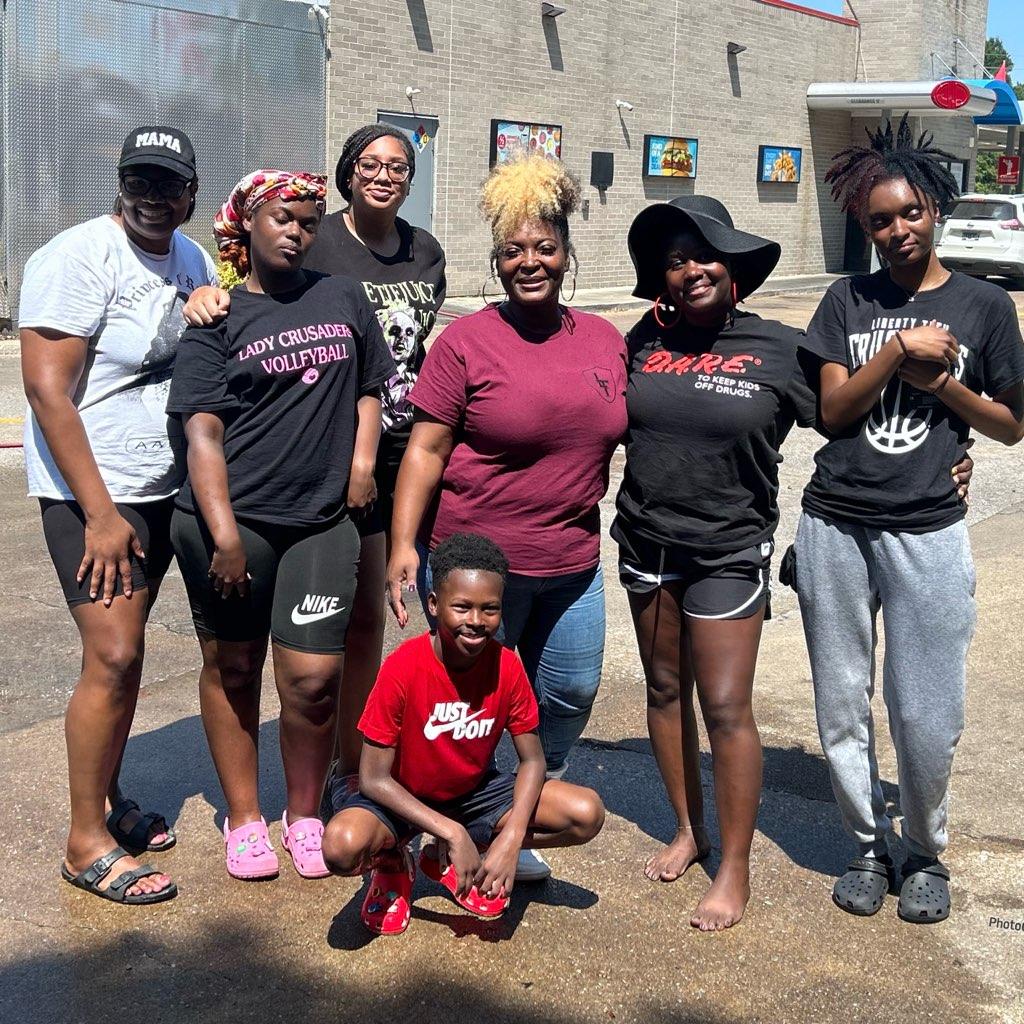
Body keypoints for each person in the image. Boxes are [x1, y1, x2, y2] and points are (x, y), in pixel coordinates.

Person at [795, 116, 1024, 923]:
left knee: (927, 710)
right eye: (878, 221)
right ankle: (865, 843)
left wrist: (945, 390)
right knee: (840, 701)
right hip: (835, 524)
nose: (896, 230)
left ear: (935, 208)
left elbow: (1009, 425)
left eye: (909, 213)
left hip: (927, 527)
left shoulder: (985, 305)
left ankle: (924, 850)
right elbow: (830, 412)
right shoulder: (846, 299)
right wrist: (895, 354)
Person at [183, 125, 446, 802]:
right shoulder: (295, 256)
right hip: (280, 484)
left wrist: (366, 461)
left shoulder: (416, 258)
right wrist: (206, 294)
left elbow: (384, 370)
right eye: (370, 164)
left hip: (376, 461)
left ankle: (349, 768)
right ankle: (297, 786)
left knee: (351, 633)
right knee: (257, 656)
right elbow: (240, 299)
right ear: (349, 173)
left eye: (399, 166)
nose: (297, 231)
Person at [385, 154, 627, 881]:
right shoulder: (467, 342)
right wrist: (403, 543)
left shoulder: (604, 339)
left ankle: (509, 809)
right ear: (496, 261)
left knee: (572, 689)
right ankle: (457, 819)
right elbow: (425, 449)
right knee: (466, 704)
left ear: (566, 252)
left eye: (544, 248)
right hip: (476, 567)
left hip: (571, 563)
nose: (531, 262)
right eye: (513, 251)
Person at [167, 170, 396, 880]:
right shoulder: (217, 316)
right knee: (234, 666)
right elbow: (202, 435)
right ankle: (243, 819)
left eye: (307, 221)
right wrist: (226, 534)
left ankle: (303, 814)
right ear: (246, 226)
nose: (297, 231)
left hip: (324, 520)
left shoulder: (341, 295)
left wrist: (362, 464)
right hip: (232, 524)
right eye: (282, 219)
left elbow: (369, 387)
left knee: (313, 679)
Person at [613, 195, 822, 931]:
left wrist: (948, 457)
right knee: (665, 690)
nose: (690, 269)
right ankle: (687, 827)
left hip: (729, 547)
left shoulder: (782, 348)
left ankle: (733, 865)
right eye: (675, 260)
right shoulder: (641, 339)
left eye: (705, 256)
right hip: (646, 541)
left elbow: (853, 419)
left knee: (727, 706)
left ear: (734, 269)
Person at [20, 126, 215, 904]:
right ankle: (82, 841)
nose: (152, 196)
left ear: (190, 193)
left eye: (167, 184)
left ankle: (104, 797)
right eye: (140, 179)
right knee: (110, 656)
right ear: (121, 181)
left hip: (161, 485)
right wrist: (100, 514)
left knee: (127, 658)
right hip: (94, 496)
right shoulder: (75, 257)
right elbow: (46, 392)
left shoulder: (192, 259)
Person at [322, 532, 605, 935]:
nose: (476, 621)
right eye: (462, 607)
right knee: (341, 846)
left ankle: (463, 856)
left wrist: (511, 841)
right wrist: (449, 830)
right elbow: (373, 778)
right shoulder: (403, 668)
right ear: (434, 605)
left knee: (586, 814)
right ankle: (391, 860)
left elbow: (533, 759)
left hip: (472, 795)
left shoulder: (506, 667)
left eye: (490, 609)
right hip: (401, 797)